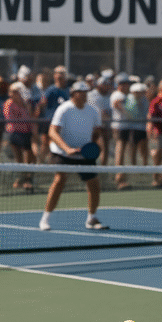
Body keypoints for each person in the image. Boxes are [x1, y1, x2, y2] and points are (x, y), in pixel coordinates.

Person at [39, 80, 106, 232]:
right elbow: (52, 132)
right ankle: (45, 219)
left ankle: (91, 218)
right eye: (81, 93)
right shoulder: (64, 109)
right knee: (59, 180)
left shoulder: (93, 111)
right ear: (73, 94)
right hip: (62, 152)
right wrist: (67, 149)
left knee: (94, 184)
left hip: (83, 154)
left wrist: (92, 147)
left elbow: (96, 132)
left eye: (86, 93)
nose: (84, 96)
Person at [3, 82, 35, 190]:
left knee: (28, 159)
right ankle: (23, 180)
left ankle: (25, 180)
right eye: (11, 92)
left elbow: (29, 118)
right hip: (14, 134)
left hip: (26, 133)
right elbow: (10, 119)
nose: (12, 94)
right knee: (20, 160)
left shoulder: (25, 103)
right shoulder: (9, 104)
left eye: (15, 92)